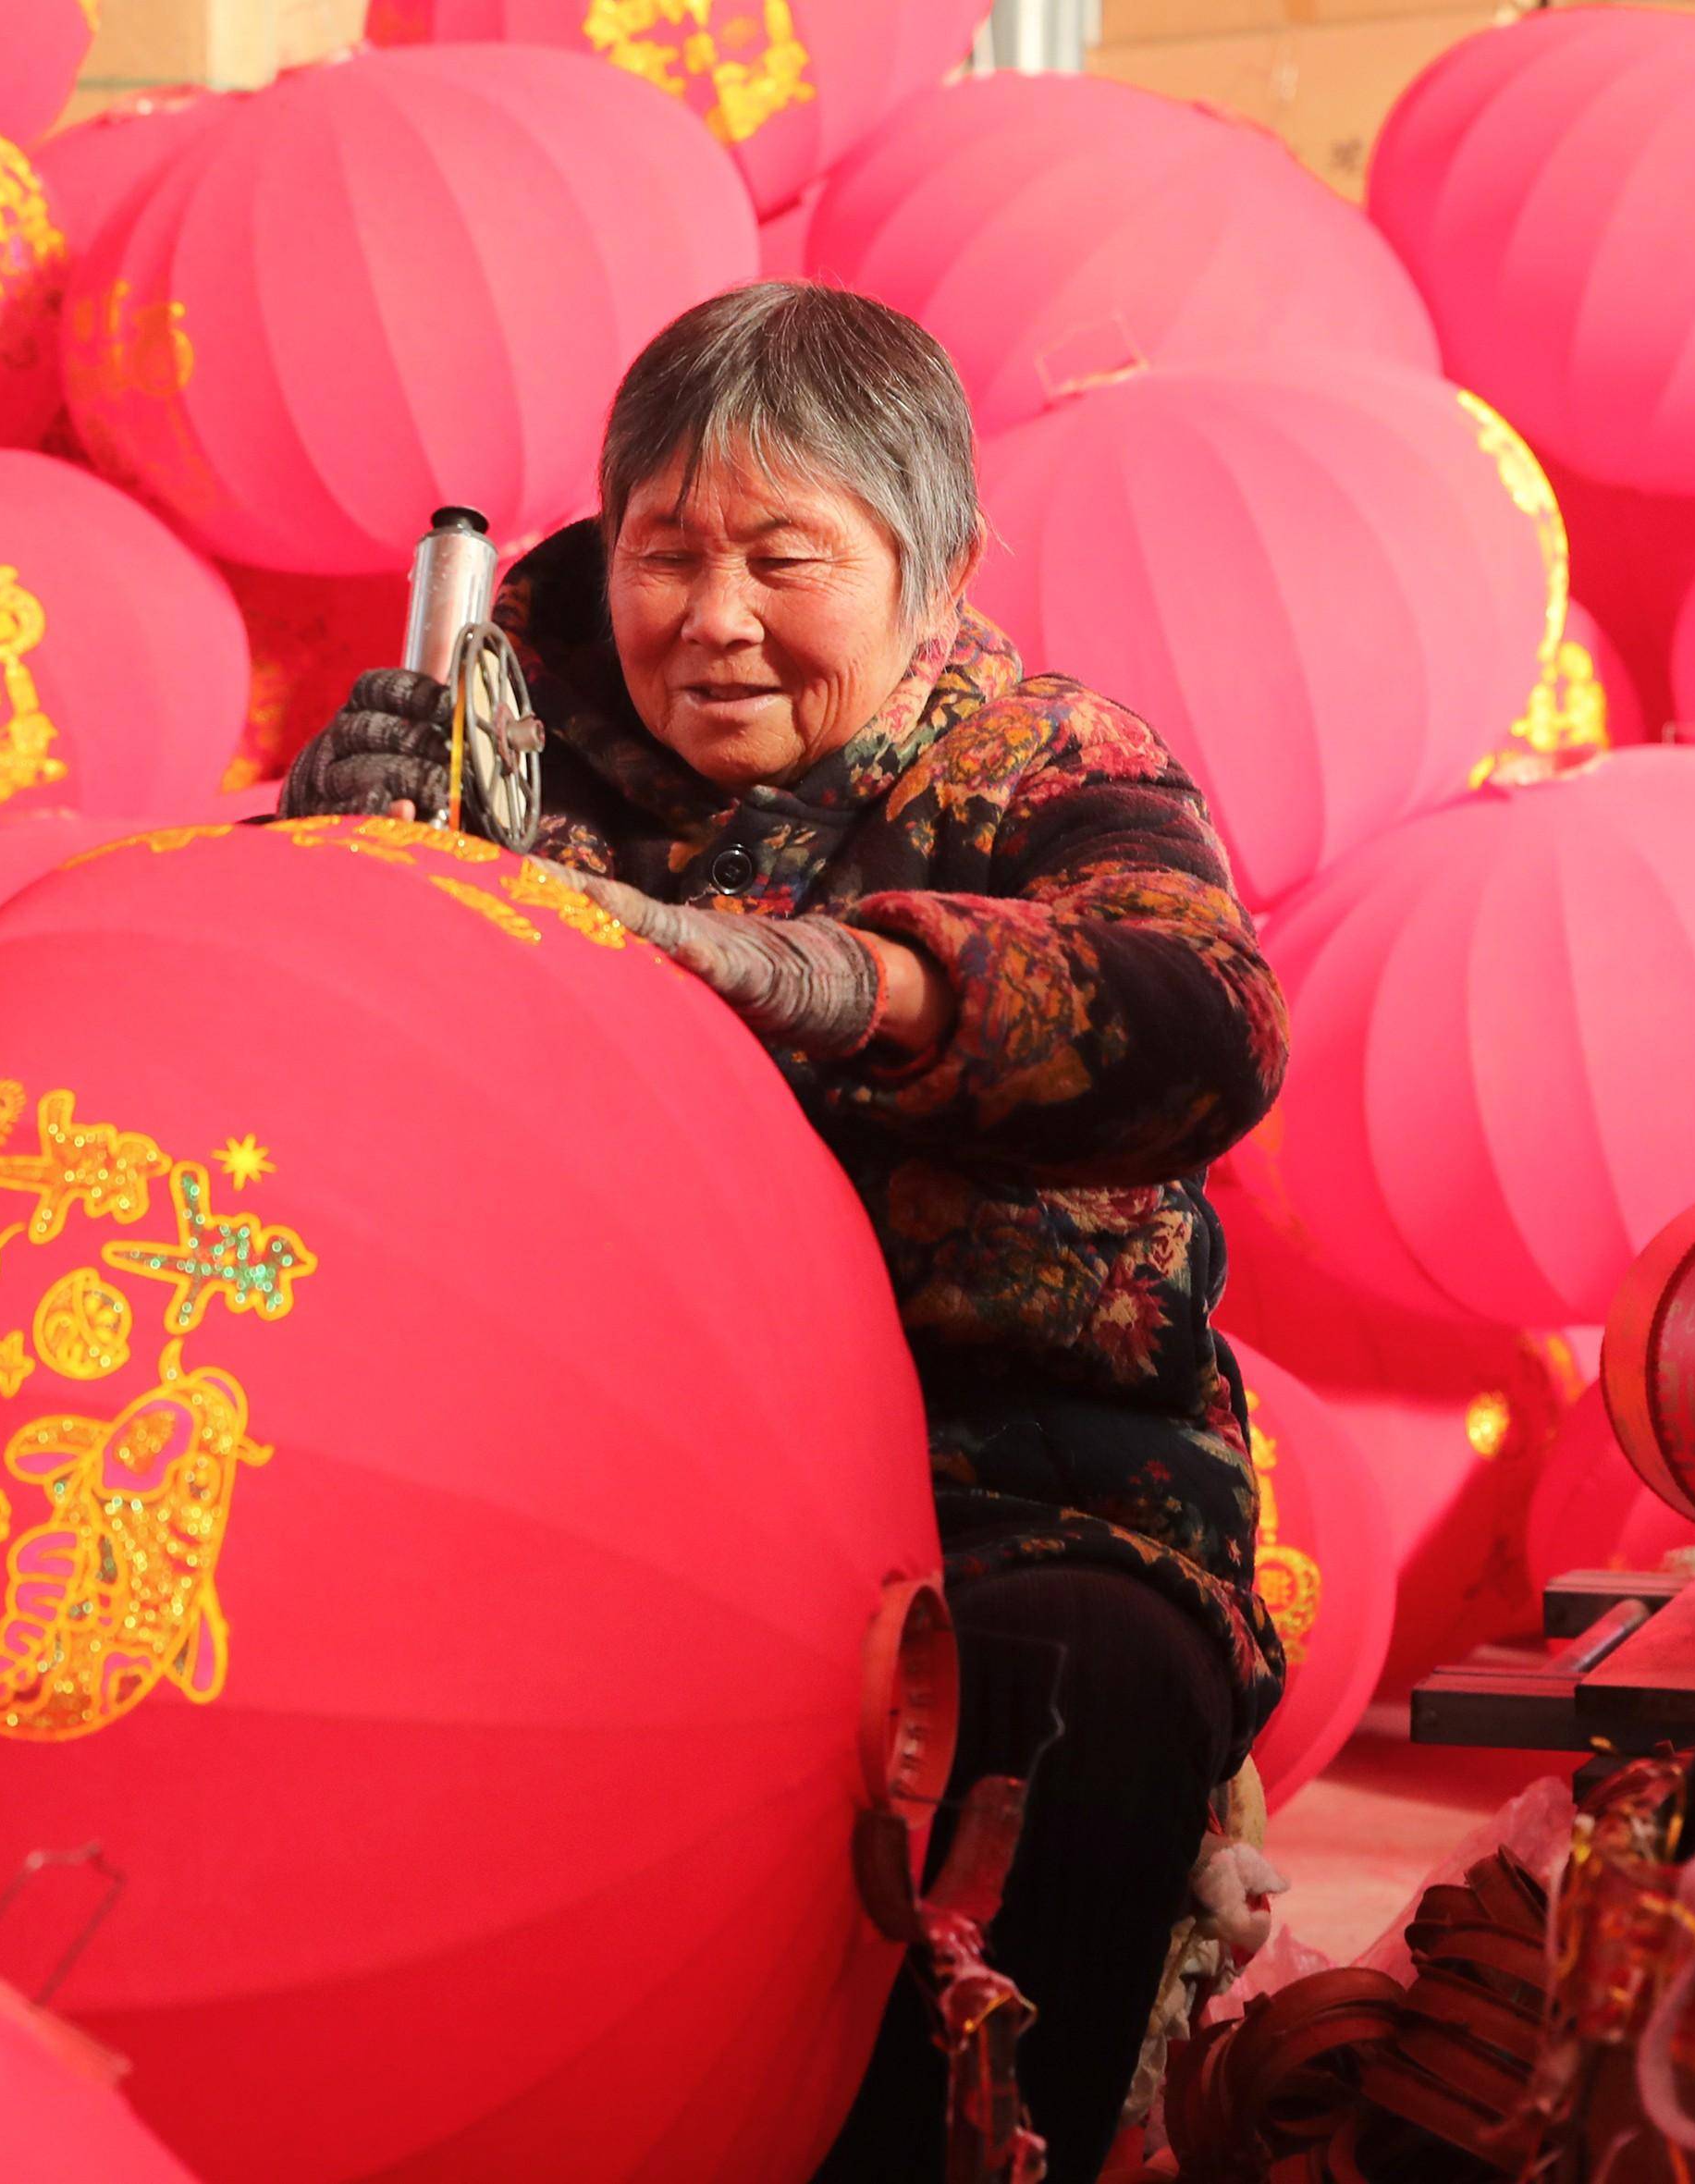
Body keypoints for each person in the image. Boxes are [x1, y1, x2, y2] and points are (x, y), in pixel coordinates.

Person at [276, 282, 1288, 2180]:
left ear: (937, 562)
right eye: (665, 551)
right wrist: (327, 857)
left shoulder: (1047, 762)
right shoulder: (502, 730)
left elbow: (1206, 1021)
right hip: (565, 1474)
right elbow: (318, 1072)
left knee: (1076, 1680)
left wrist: (841, 983)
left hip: (994, 1466)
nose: (710, 618)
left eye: (783, 557)